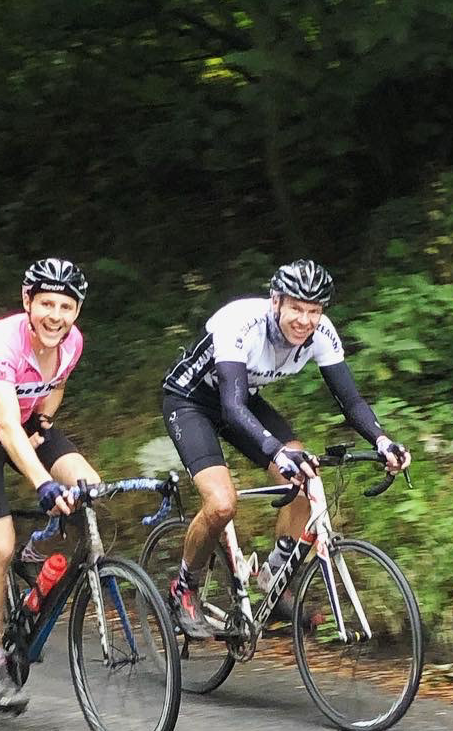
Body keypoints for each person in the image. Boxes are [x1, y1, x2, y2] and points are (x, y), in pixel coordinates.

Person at [159, 258, 410, 639]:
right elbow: (231, 406)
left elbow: (351, 402)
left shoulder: (322, 333)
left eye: (313, 310)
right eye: (296, 308)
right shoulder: (240, 322)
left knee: (307, 477)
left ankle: (274, 576)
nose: (304, 320)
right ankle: (184, 586)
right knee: (222, 504)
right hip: (191, 401)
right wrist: (277, 452)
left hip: (243, 399)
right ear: (275, 301)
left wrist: (383, 441)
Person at [0, 258, 100, 709]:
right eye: (46, 302)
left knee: (91, 489)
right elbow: (6, 429)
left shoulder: (72, 342)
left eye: (66, 306)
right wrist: (44, 484)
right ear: (27, 302)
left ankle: (40, 554)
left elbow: (57, 384)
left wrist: (45, 421)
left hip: (26, 421)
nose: (56, 315)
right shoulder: (0, 344)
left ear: (77, 312)